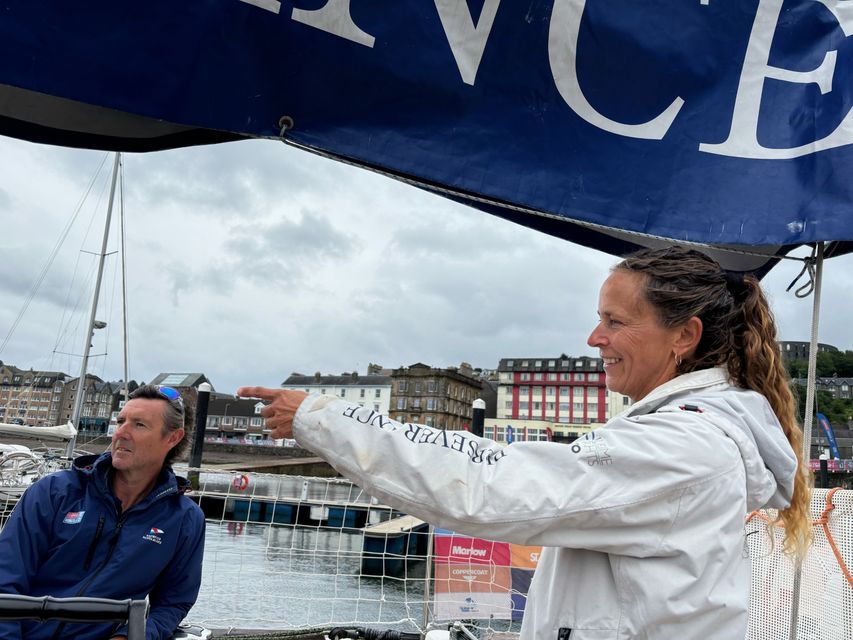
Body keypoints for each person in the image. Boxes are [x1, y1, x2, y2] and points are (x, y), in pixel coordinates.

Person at [238, 245, 812, 640]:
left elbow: (492, 486)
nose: (595, 338)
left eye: (614, 321)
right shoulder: (690, 434)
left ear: (684, 336)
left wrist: (325, 419)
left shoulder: (684, 446)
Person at [0, 385, 206, 640]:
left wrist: (131, 636)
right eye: (121, 421)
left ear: (172, 438)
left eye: (139, 425)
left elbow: (173, 603)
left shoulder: (185, 519)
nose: (121, 432)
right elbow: (5, 580)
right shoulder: (54, 492)